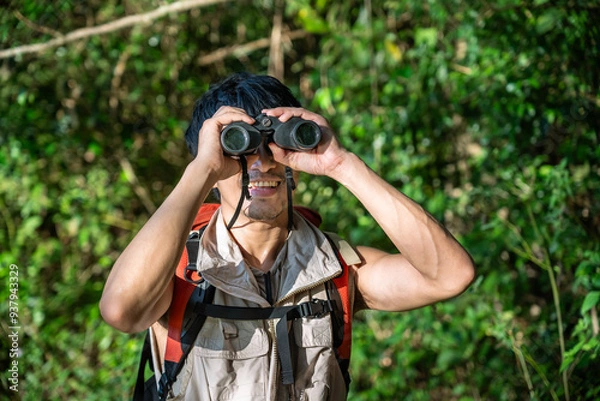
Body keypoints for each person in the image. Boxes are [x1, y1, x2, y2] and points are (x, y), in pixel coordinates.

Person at [100, 72, 475, 400]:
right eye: (241, 145)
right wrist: (202, 170)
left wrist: (342, 165)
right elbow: (121, 310)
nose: (262, 162)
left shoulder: (337, 269)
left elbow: (449, 276)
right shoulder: (178, 267)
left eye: (275, 145)